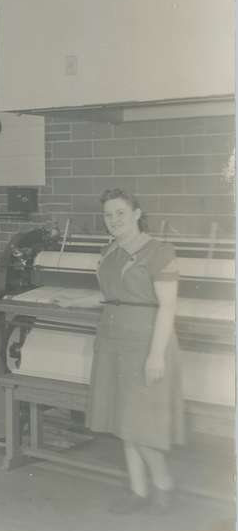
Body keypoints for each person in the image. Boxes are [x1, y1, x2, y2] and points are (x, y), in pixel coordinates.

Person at [87, 188, 184, 514]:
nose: (113, 220)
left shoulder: (159, 251)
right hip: (113, 339)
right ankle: (139, 491)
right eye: (108, 215)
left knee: (140, 423)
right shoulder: (111, 251)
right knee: (124, 420)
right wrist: (76, 300)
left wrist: (156, 355)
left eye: (120, 214)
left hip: (145, 343)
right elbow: (112, 296)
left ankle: (164, 484)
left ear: (137, 214)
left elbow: (167, 307)